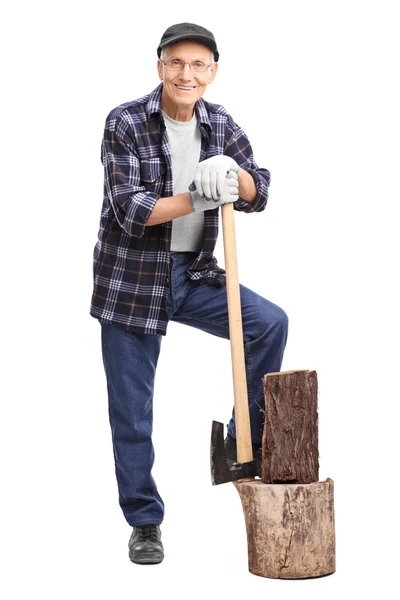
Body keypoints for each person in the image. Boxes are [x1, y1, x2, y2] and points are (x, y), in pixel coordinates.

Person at [90, 22, 289, 565]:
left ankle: (238, 432)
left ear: (213, 72)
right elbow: (131, 212)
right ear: (160, 67)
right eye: (176, 63)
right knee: (132, 411)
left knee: (268, 323)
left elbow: (259, 189)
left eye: (199, 65)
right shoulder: (125, 122)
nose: (187, 73)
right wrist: (196, 197)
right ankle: (145, 523)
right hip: (131, 281)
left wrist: (235, 177)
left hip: (194, 275)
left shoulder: (220, 123)